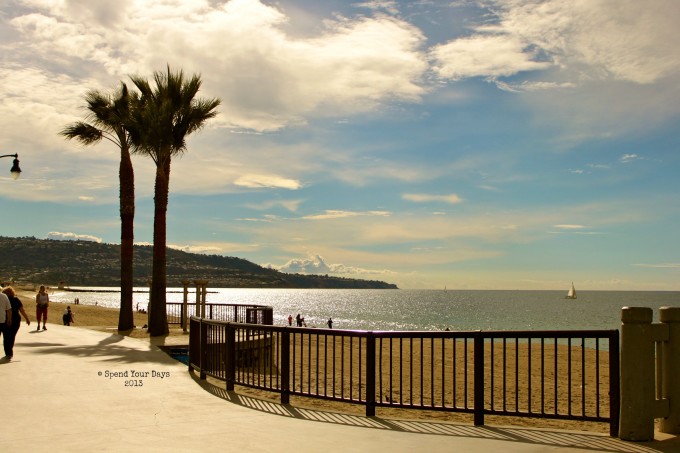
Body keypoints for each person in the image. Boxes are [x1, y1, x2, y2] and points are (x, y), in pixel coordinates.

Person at [2, 286, 30, 360]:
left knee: (6, 336)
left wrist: (27, 318)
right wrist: (27, 318)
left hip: (6, 319)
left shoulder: (3, 299)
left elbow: (21, 310)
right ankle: (9, 352)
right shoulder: (16, 299)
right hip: (15, 320)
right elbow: (22, 310)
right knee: (12, 336)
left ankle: (8, 353)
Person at [0, 290, 11, 359]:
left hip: (2, 320)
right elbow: (9, 309)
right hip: (2, 320)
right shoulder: (4, 296)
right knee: (6, 338)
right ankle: (8, 354)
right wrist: (9, 319)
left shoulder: (4, 296)